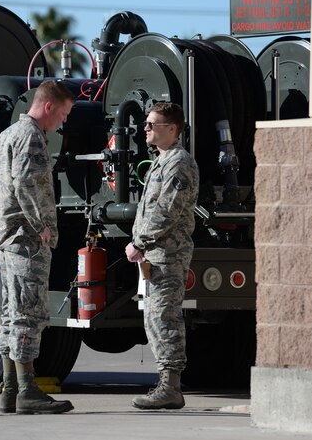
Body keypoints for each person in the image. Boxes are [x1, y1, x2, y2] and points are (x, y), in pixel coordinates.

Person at [0, 80, 75, 415]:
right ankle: (27, 391)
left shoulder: (8, 134)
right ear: (48, 106)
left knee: (10, 312)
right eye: (63, 114)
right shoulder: (32, 137)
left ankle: (9, 391)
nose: (62, 122)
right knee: (29, 312)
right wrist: (44, 227)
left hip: (7, 236)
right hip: (27, 239)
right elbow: (27, 183)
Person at [125, 102, 199, 410]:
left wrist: (139, 242)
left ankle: (170, 387)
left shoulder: (178, 162)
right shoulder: (161, 160)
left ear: (172, 129)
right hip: (156, 253)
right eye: (146, 124)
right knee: (155, 317)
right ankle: (166, 384)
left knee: (164, 316)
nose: (145, 129)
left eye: (151, 124)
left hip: (167, 253)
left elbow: (167, 210)